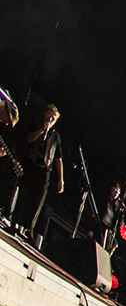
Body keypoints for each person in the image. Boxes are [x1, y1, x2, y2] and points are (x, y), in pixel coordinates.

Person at [15, 104, 63, 244]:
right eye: (49, 115)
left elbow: (58, 158)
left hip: (44, 170)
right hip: (30, 164)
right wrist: (42, 130)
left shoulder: (55, 136)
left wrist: (61, 179)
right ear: (44, 113)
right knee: (24, 194)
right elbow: (29, 139)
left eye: (53, 118)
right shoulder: (35, 124)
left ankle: (29, 229)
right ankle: (15, 223)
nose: (50, 119)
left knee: (38, 201)